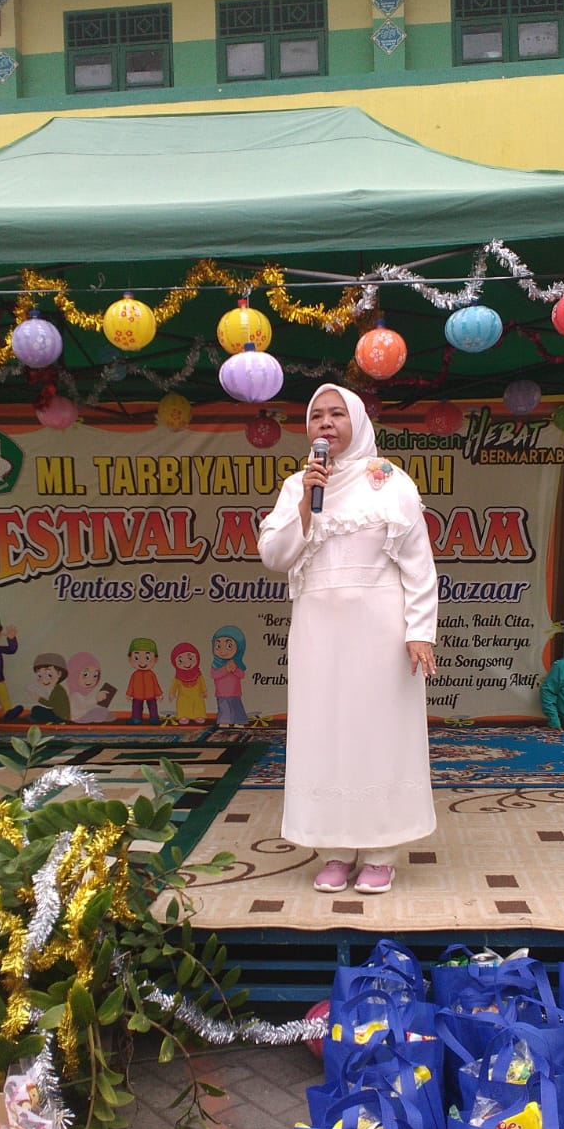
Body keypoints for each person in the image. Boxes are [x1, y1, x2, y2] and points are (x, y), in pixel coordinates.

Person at [257, 383, 437, 895]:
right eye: (317, 416)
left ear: (357, 421)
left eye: (337, 414)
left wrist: (419, 631)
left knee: (379, 733)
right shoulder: (298, 486)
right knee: (325, 733)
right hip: (318, 631)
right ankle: (333, 848)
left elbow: (419, 564)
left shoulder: (389, 481)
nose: (326, 423)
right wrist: (305, 506)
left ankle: (381, 851)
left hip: (381, 630)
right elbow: (275, 557)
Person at [210, 626, 248, 727]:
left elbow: (241, 675)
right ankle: (224, 721)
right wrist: (225, 669)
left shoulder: (237, 663)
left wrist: (235, 669)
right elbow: (214, 675)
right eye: (218, 645)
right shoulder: (216, 664)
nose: (223, 651)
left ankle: (239, 721)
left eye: (229, 646)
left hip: (235, 692)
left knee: (236, 706)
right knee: (224, 708)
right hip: (221, 693)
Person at [169, 641, 208, 724]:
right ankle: (183, 716)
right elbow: (174, 685)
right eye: (180, 660)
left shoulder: (198, 674)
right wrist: (172, 693)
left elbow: (202, 683)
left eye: (190, 658)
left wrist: (204, 691)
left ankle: (199, 715)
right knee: (183, 704)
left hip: (197, 695)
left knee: (198, 704)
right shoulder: (178, 676)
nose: (186, 663)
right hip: (183, 696)